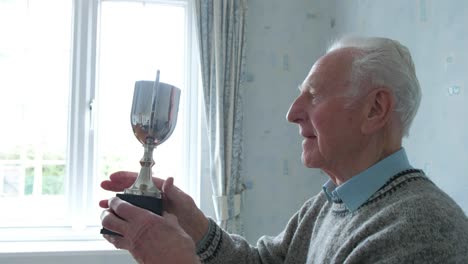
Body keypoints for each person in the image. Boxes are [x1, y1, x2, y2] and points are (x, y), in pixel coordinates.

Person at [100, 36, 468, 263]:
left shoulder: (421, 230)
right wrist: (194, 226)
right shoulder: (328, 204)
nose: (292, 113)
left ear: (375, 110)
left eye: (314, 95)